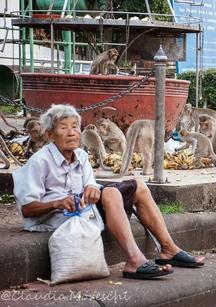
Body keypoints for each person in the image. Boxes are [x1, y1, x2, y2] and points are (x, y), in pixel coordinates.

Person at [13, 104, 204, 280]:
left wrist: (91, 189)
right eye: (63, 128)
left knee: (138, 186)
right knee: (112, 194)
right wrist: (57, 203)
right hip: (58, 218)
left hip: (86, 212)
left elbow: (91, 186)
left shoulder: (80, 156)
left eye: (74, 127)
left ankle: (168, 249)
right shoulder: (39, 162)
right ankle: (134, 261)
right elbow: (27, 209)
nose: (71, 133)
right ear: (49, 135)